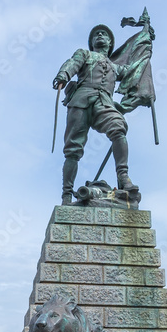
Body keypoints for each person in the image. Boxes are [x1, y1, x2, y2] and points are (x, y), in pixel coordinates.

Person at [53, 25, 138, 205]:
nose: (100, 35)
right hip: (81, 101)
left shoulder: (116, 68)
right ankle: (66, 195)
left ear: (110, 43)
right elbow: (72, 63)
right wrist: (63, 74)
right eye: (97, 34)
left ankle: (123, 177)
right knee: (73, 150)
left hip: (104, 104)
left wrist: (145, 47)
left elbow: (134, 71)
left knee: (118, 128)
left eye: (104, 34)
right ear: (92, 43)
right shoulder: (85, 54)